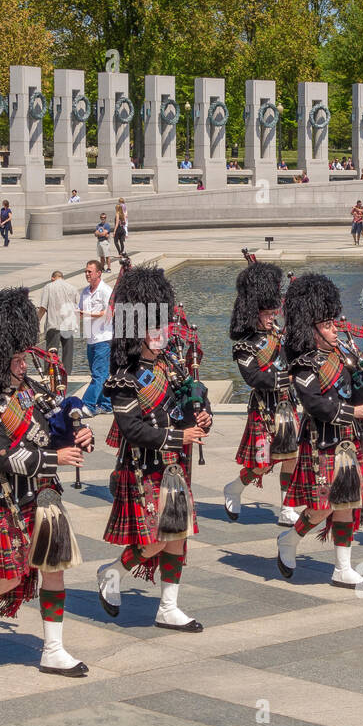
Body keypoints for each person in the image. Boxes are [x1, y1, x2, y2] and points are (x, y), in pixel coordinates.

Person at [0, 289, 93, 675]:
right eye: (15, 358)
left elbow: (57, 422)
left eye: (22, 355)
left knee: (54, 568)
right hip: (11, 498)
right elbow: (7, 457)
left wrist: (79, 432)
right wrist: (56, 457)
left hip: (47, 496)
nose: (22, 362)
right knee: (8, 578)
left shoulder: (31, 390)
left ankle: (53, 650)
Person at [95, 266, 211, 632]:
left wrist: (204, 417)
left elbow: (190, 406)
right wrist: (180, 438)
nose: (161, 333)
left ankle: (168, 607)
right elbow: (132, 429)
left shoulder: (173, 367)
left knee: (177, 534)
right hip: (145, 465)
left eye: (162, 325)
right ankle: (113, 571)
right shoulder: (123, 377)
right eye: (153, 327)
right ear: (137, 331)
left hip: (176, 467)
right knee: (156, 540)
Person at [274, 275, 363, 587]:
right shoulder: (304, 365)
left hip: (350, 440)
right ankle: (289, 540)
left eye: (334, 323)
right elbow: (315, 403)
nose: (336, 329)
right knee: (322, 507)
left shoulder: (346, 355)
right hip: (322, 440)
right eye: (327, 325)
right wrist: (352, 411)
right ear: (312, 329)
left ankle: (342, 568)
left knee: (348, 502)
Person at [222, 260, 301, 527]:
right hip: (264, 407)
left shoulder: (279, 335)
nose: (272, 317)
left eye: (272, 312)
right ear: (252, 313)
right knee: (263, 464)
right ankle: (234, 488)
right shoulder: (245, 346)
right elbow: (254, 378)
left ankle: (287, 507)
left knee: (292, 456)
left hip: (287, 405)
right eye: (267, 313)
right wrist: (288, 377)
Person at [78, 260, 113, 414]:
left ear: (99, 273)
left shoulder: (106, 290)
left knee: (98, 374)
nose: (87, 274)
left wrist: (87, 314)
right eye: (86, 271)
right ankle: (106, 404)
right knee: (101, 374)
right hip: (91, 339)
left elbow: (108, 313)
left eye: (90, 271)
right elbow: (80, 310)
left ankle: (88, 405)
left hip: (104, 339)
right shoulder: (85, 292)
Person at [38, 270, 79, 377]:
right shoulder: (72, 288)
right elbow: (79, 308)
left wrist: (36, 321)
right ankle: (66, 375)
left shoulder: (49, 287)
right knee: (68, 353)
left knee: (50, 354)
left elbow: (43, 307)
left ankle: (49, 375)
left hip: (54, 325)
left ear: (52, 278)